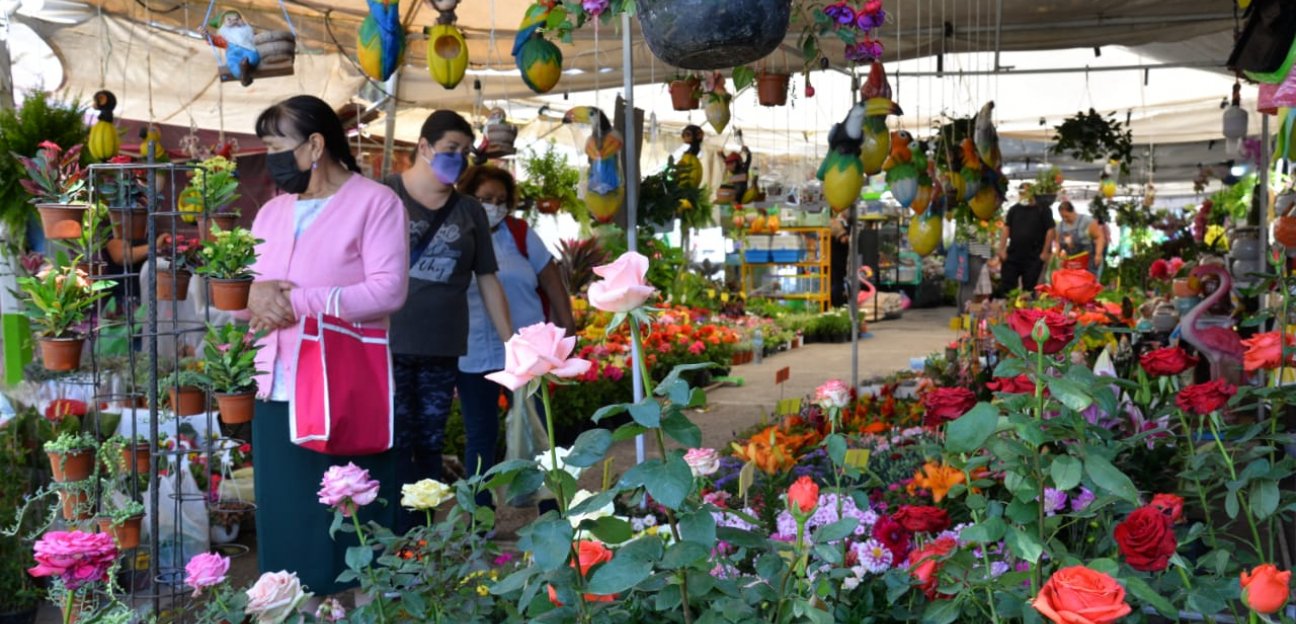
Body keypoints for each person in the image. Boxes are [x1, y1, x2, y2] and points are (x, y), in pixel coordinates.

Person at [244, 95, 408, 596]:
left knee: (352, 526)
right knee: (287, 523)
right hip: (275, 388)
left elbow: (388, 290)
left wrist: (300, 302)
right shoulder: (270, 213)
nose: (270, 158)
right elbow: (246, 289)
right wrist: (248, 295)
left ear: (315, 145)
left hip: (342, 388)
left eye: (277, 146)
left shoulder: (376, 203)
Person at [384, 110, 513, 531]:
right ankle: (395, 536)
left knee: (429, 444)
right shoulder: (384, 195)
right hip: (386, 346)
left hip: (442, 347)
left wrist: (513, 345)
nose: (457, 158)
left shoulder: (469, 210)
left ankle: (421, 537)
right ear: (423, 147)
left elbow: (488, 279)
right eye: (450, 149)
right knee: (394, 442)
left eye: (464, 151)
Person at [456, 165, 574, 506]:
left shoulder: (520, 233)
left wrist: (567, 327)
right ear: (468, 197)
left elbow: (551, 280)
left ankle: (550, 509)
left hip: (527, 352)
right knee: (481, 435)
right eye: (486, 199)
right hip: (474, 352)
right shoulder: (456, 234)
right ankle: (480, 518)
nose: (494, 206)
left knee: (539, 430)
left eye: (501, 201)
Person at [995, 184, 1055, 297]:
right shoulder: (1014, 210)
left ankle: (1027, 306)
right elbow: (1006, 229)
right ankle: (1009, 306)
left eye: (1027, 192)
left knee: (1030, 288)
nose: (1024, 195)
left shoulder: (1043, 209)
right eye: (1021, 193)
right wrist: (1001, 249)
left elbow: (1050, 230)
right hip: (1014, 254)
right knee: (1007, 286)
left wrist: (1045, 252)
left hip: (1034, 256)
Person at [1055, 201, 1107, 274]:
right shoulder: (1060, 227)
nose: (1065, 219)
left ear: (1073, 211)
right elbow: (1058, 243)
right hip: (1071, 263)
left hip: (1089, 262)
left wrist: (1098, 254)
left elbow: (1099, 237)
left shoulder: (1086, 221)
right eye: (1062, 217)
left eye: (1067, 216)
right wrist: (1058, 258)